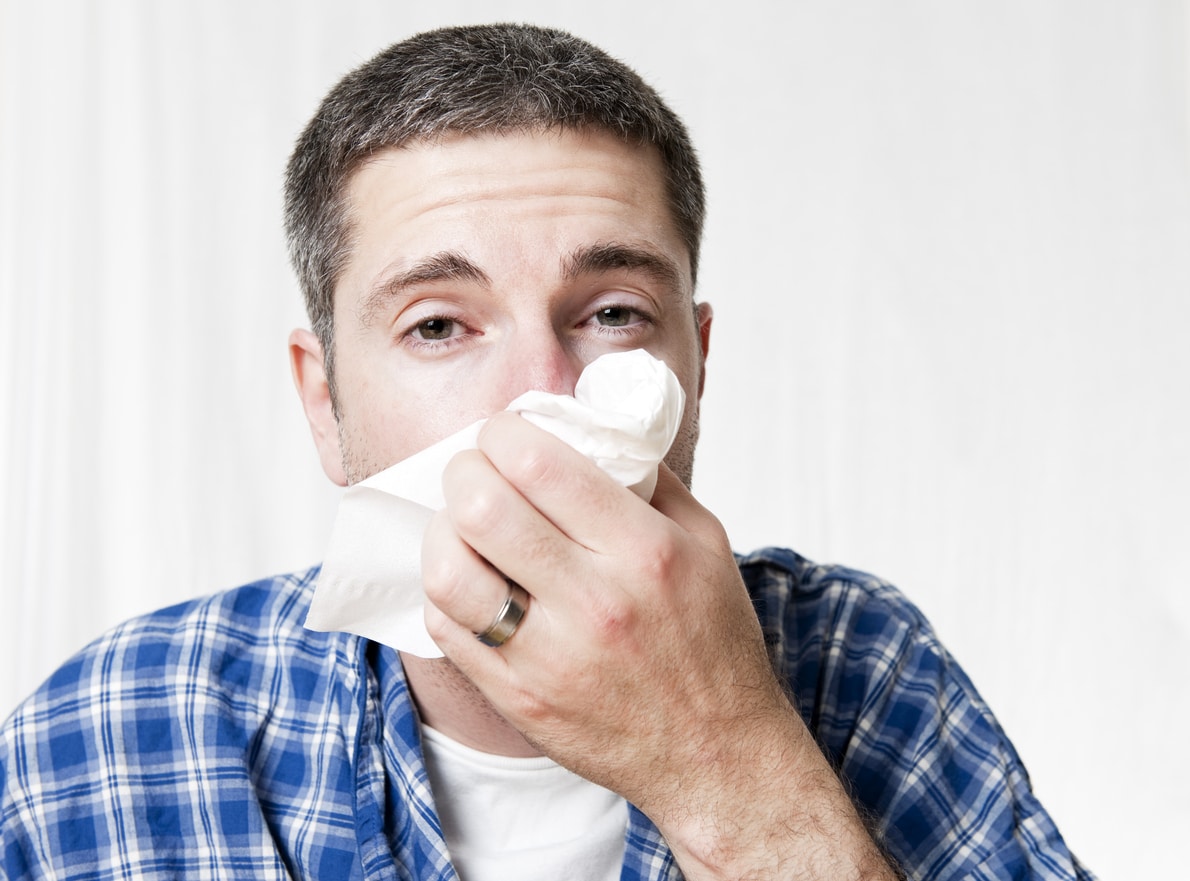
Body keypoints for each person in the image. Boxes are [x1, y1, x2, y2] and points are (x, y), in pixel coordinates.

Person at [0, 23, 1095, 881]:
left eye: (612, 313)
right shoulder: (108, 736)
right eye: (438, 325)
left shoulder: (861, 667)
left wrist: (727, 766)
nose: (538, 397)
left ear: (695, 366)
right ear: (324, 402)